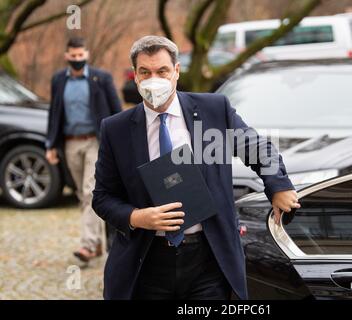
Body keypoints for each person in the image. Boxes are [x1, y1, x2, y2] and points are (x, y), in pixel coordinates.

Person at [92, 35, 300, 300]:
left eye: (162, 71)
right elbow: (102, 197)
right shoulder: (116, 129)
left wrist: (278, 186)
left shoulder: (214, 109)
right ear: (135, 76)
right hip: (147, 263)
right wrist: (137, 217)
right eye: (145, 72)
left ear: (176, 71)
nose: (153, 79)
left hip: (208, 260)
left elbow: (257, 148)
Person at [45, 37, 122, 262]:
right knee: (82, 194)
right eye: (73, 56)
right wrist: (51, 144)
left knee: (90, 191)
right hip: (70, 142)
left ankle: (87, 245)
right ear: (67, 56)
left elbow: (116, 111)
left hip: (95, 142)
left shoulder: (101, 78)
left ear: (87, 55)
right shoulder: (59, 80)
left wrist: (117, 143)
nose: (77, 59)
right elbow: (54, 112)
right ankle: (97, 242)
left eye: (81, 55)